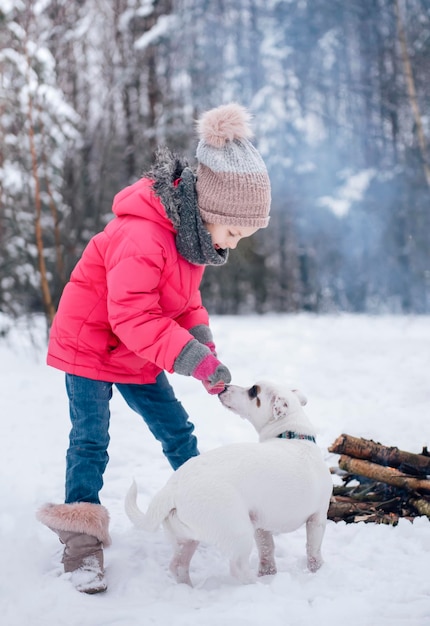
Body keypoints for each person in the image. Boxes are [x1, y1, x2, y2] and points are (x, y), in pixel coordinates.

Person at [36, 103, 271, 594]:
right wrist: (189, 358)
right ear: (211, 210)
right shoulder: (142, 235)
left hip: (138, 349)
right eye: (232, 232)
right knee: (90, 439)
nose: (230, 246)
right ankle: (81, 540)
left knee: (176, 429)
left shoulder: (193, 240)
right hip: (92, 345)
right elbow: (132, 314)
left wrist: (203, 346)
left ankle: (203, 504)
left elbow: (184, 303)